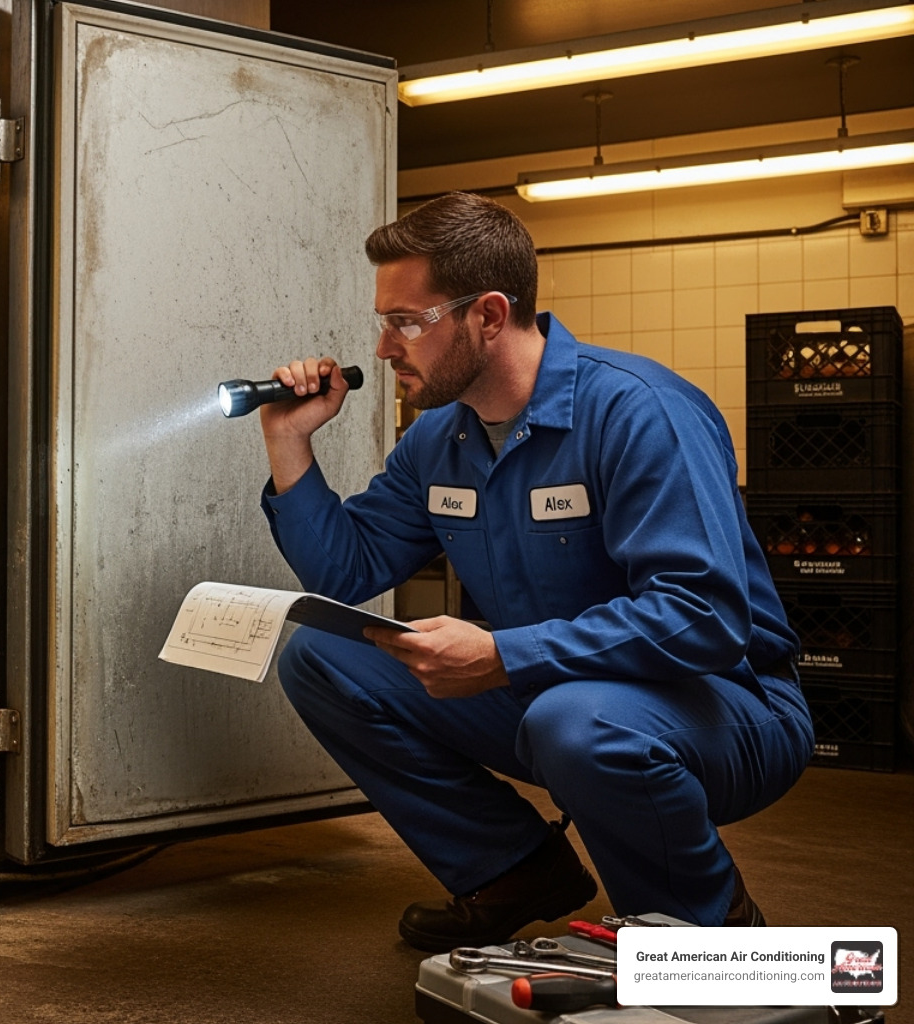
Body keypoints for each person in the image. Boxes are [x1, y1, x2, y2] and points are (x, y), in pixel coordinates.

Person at [257, 191, 814, 953]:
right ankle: (511, 871)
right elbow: (344, 572)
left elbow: (703, 617)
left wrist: (502, 654)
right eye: (383, 322)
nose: (385, 349)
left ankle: (706, 941)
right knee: (323, 654)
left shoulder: (638, 412)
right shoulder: (440, 442)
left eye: (407, 322)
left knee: (577, 723)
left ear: (488, 314)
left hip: (728, 706)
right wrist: (291, 445)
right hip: (554, 692)